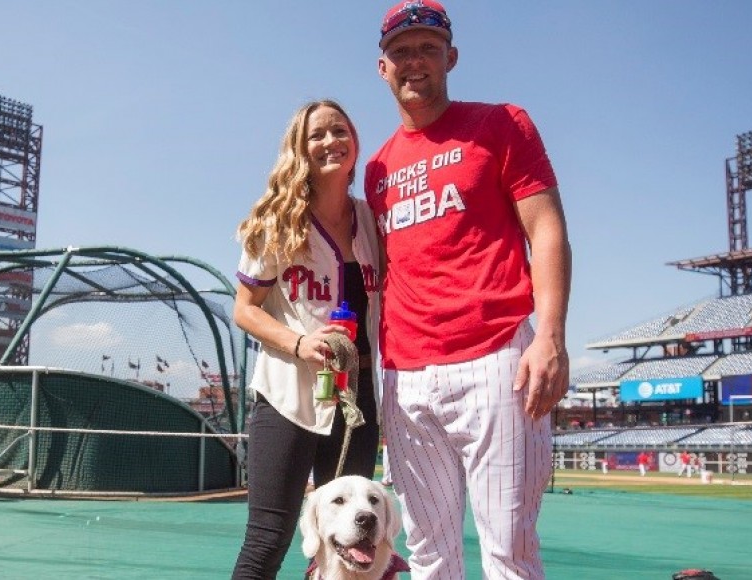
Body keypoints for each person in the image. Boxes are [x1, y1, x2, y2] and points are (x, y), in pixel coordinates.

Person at [364, 2, 572, 578]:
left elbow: (547, 228)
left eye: (428, 48)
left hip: (497, 357)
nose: (414, 61)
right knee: (429, 552)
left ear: (450, 57)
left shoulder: (500, 122)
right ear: (382, 67)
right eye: (401, 51)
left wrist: (550, 335)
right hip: (405, 374)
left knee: (508, 549)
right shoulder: (377, 165)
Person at [230, 100, 383, 580]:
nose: (330, 141)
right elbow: (244, 309)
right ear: (299, 150)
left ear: (355, 142)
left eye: (340, 130)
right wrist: (299, 343)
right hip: (288, 396)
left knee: (352, 544)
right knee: (269, 538)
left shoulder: (375, 219)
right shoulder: (279, 222)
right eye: (316, 135)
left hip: (356, 401)